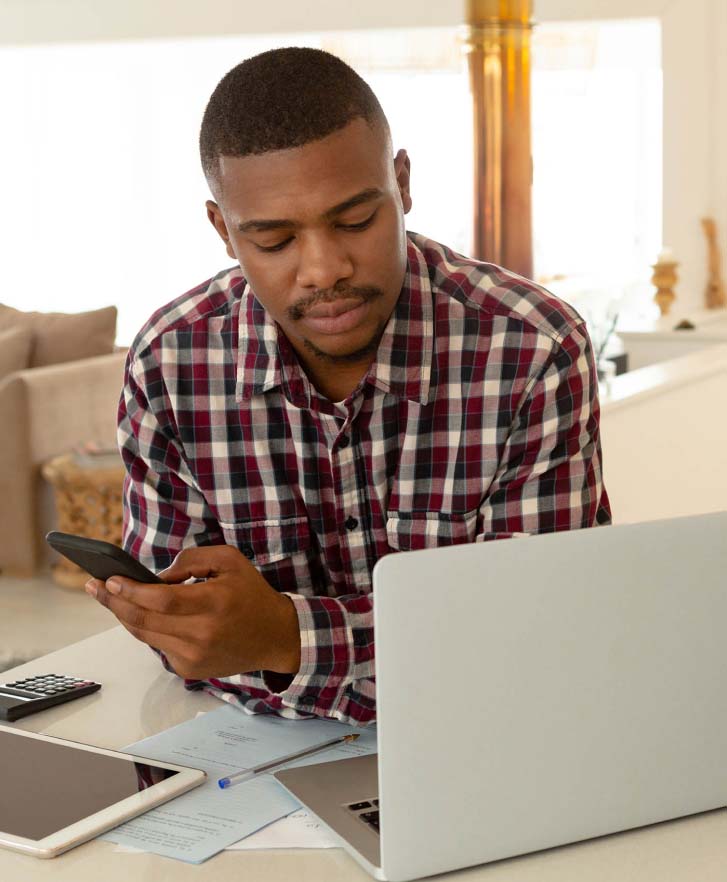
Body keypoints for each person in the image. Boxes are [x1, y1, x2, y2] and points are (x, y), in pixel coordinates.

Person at [85, 47, 611, 726]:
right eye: (273, 239)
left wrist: (283, 637)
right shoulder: (168, 364)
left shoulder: (532, 348)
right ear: (223, 229)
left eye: (356, 221)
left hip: (490, 740)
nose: (323, 269)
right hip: (249, 760)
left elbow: (537, 637)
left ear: (401, 182)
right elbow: (186, 642)